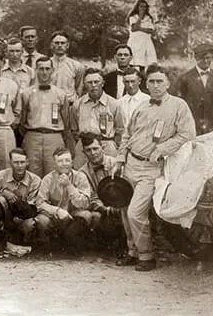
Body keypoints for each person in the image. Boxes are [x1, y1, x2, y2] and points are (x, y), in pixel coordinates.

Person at [113, 65, 196, 271]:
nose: (156, 85)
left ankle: (147, 256)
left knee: (135, 212)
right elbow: (127, 134)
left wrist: (162, 148)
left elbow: (187, 133)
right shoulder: (142, 106)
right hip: (130, 164)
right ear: (146, 84)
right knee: (125, 210)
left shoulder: (179, 106)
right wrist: (120, 159)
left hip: (151, 168)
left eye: (160, 81)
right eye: (152, 81)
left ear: (168, 83)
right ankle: (133, 252)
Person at [34, 149, 93, 250]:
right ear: (54, 164)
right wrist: (57, 211)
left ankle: (74, 245)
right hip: (55, 216)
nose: (64, 164)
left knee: (86, 215)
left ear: (72, 162)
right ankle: (51, 246)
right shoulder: (48, 179)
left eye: (67, 160)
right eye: (60, 161)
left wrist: (69, 185)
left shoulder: (80, 177)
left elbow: (85, 203)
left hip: (74, 215)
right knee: (42, 220)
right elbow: (40, 203)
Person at [19, 57, 69, 177]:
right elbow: (22, 119)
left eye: (47, 69)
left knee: (55, 173)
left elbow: (66, 120)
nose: (44, 72)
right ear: (36, 70)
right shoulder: (27, 93)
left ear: (52, 70)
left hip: (54, 136)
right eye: (41, 69)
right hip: (33, 137)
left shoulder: (60, 94)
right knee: (32, 173)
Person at [174, 42, 213, 135]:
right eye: (201, 58)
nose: (205, 61)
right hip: (192, 126)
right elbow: (178, 103)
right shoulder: (185, 78)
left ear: (211, 58)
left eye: (208, 58)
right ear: (196, 58)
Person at [76, 133, 124, 251]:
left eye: (95, 148)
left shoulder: (115, 164)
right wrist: (106, 209)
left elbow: (125, 187)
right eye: (88, 150)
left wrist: (118, 207)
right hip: (101, 208)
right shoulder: (82, 172)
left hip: (121, 205)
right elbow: (91, 196)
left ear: (102, 148)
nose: (93, 153)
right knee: (96, 218)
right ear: (84, 152)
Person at [68, 68, 125, 166]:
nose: (93, 85)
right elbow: (74, 129)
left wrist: (113, 145)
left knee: (108, 172)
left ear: (102, 83)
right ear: (84, 84)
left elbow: (120, 129)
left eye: (96, 82)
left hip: (106, 144)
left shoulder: (114, 104)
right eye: (89, 82)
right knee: (81, 172)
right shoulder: (78, 104)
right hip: (84, 146)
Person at [0, 148, 42, 244]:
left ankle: (25, 242)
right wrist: (4, 192)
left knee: (30, 224)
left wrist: (20, 217)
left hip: (24, 216)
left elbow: (32, 206)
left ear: (27, 162)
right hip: (4, 216)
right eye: (16, 162)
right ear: (10, 163)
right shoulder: (0, 176)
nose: (20, 166)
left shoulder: (35, 181)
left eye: (22, 162)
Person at [49, 31, 84, 103]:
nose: (59, 45)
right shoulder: (45, 64)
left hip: (69, 104)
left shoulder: (76, 66)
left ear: (67, 45)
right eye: (57, 43)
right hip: (49, 104)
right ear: (51, 45)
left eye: (62, 43)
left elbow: (79, 88)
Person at [126, 0, 157, 70]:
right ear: (137, 7)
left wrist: (140, 28)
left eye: (145, 7)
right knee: (133, 62)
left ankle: (143, 75)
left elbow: (151, 31)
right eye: (141, 6)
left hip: (145, 42)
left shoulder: (148, 18)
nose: (143, 8)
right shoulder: (133, 17)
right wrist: (140, 17)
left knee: (144, 64)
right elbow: (134, 28)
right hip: (135, 41)